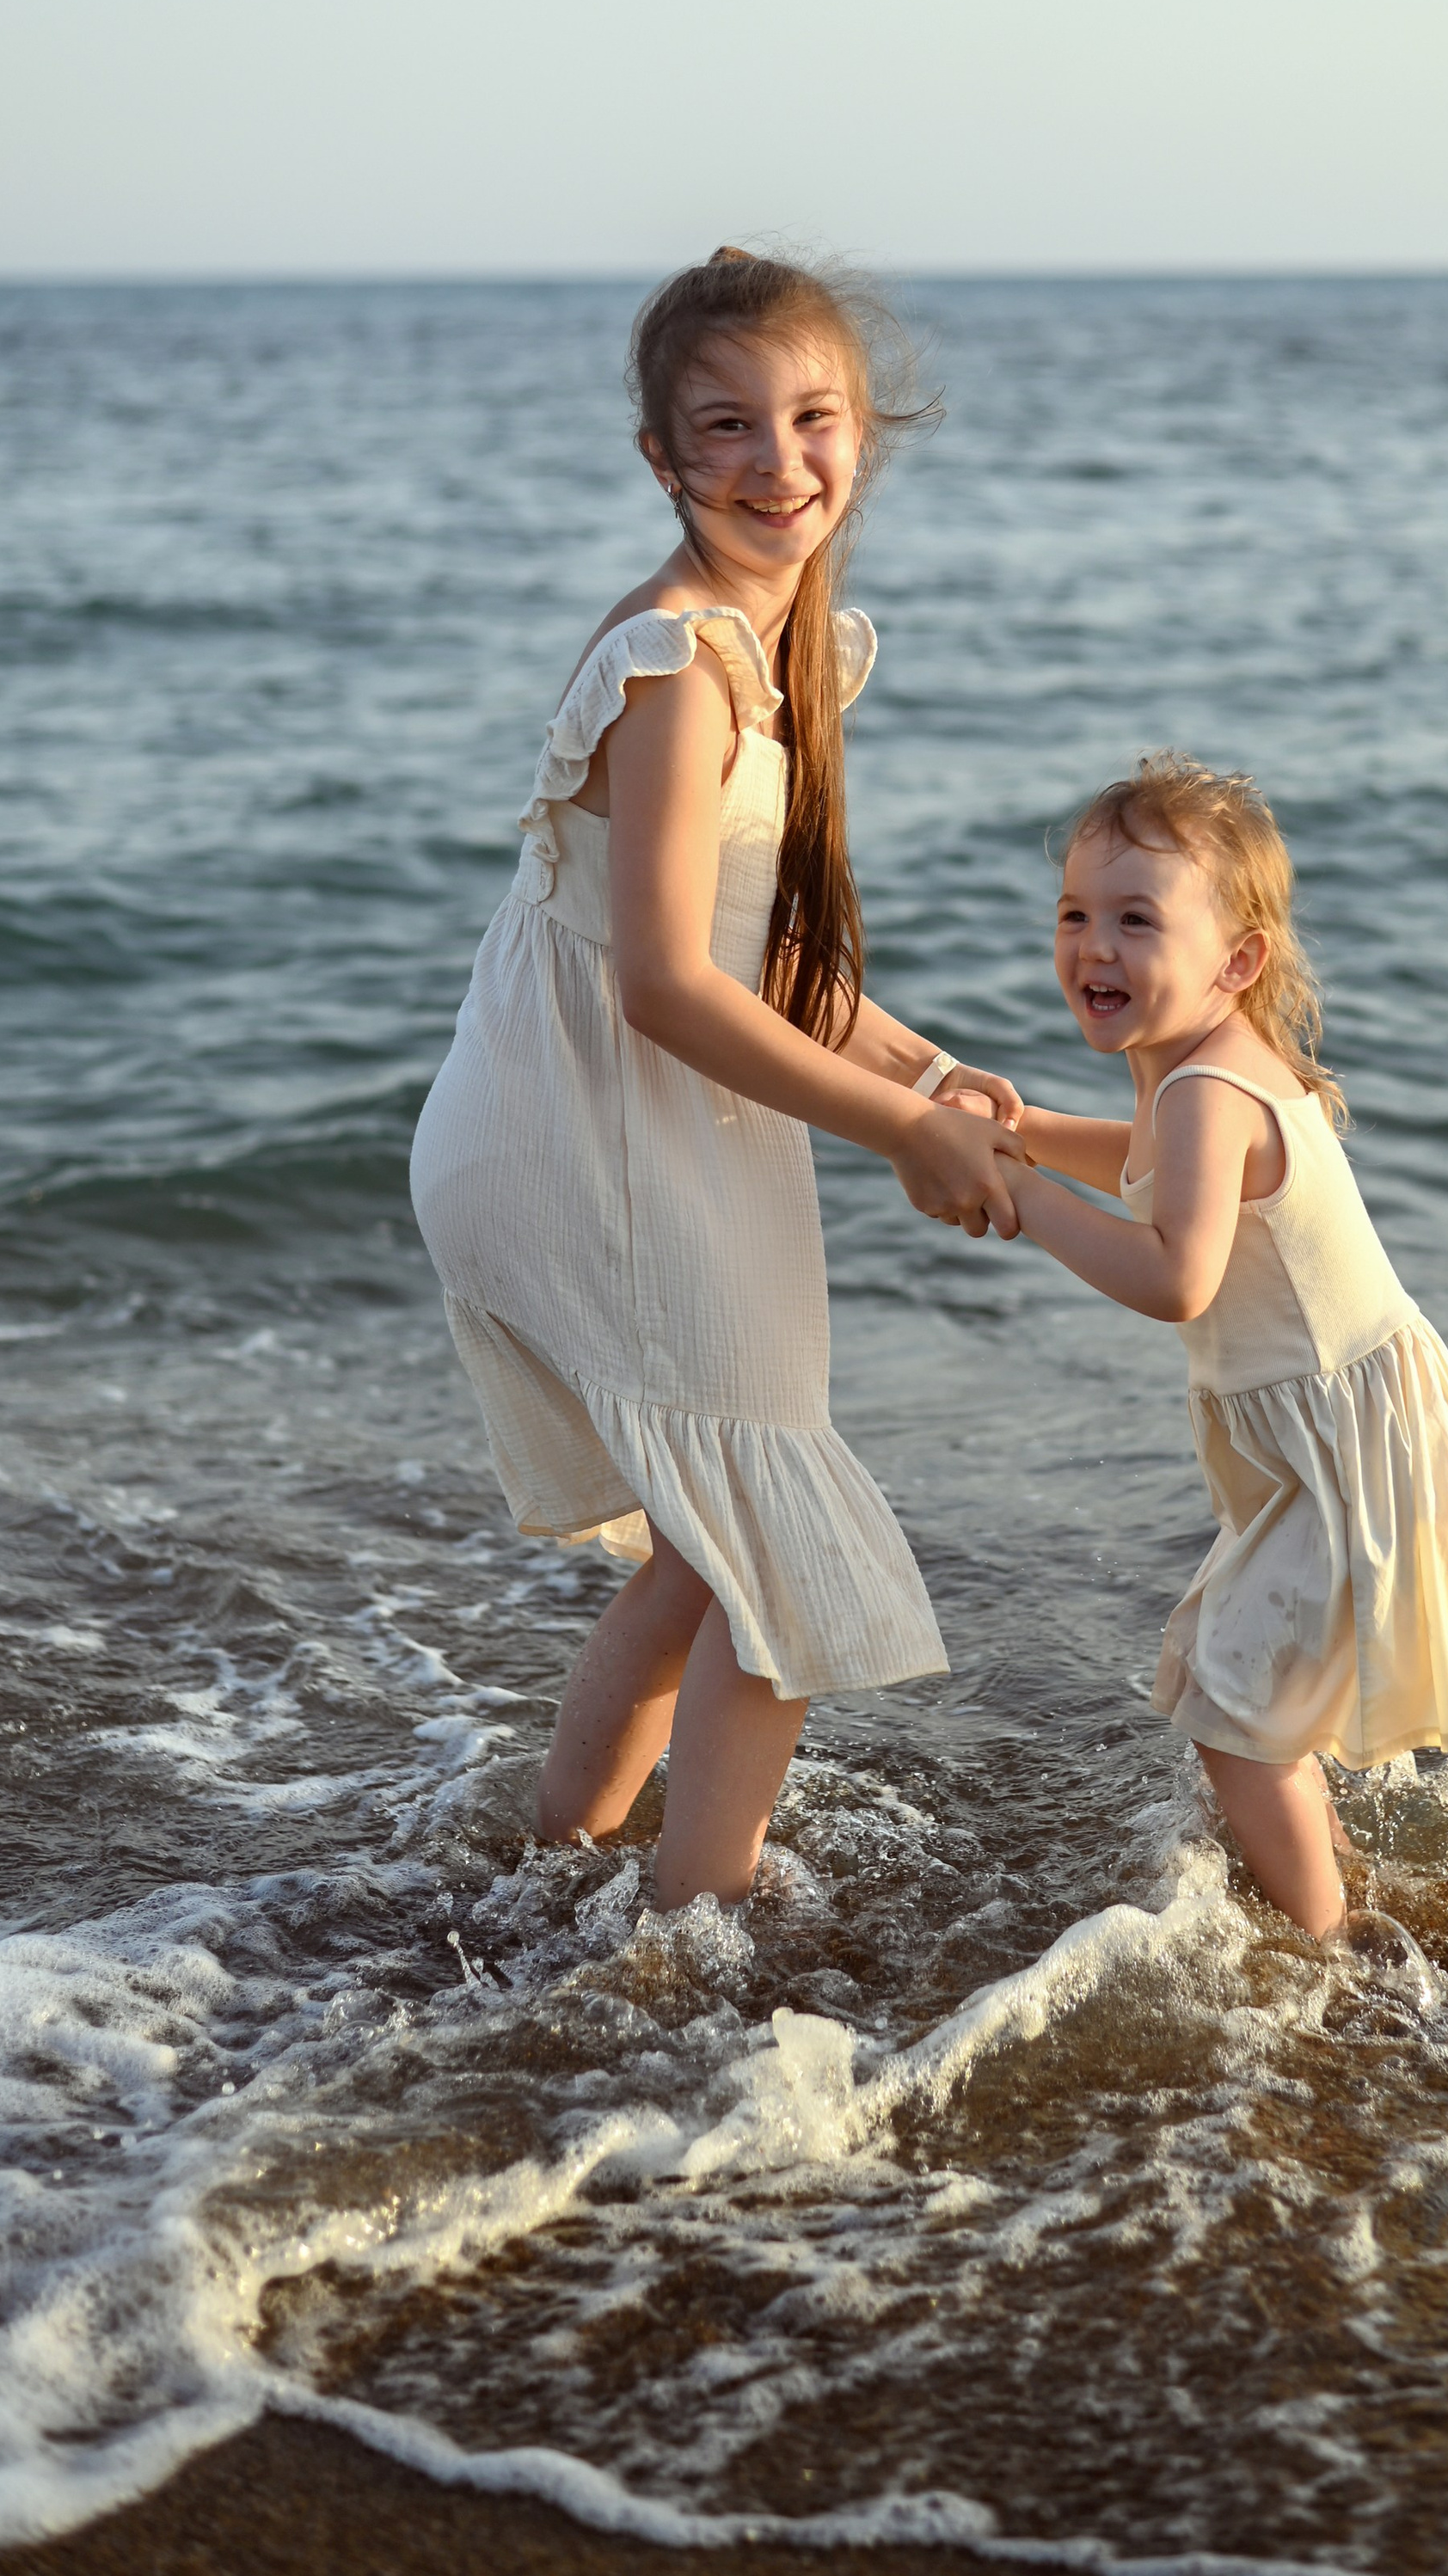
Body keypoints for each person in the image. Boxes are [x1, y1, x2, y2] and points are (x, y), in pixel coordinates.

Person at [410, 249, 1024, 1911]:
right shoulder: (680, 665)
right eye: (725, 425)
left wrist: (947, 1077)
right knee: (776, 1558)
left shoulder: (772, 644)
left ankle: (566, 1868)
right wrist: (897, 1125)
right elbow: (676, 986)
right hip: (590, 1129)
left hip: (594, 1110)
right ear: (663, 458)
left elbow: (773, 960)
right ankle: (694, 1945)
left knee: (713, 1543)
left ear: (864, 435)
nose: (779, 460)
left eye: (813, 417)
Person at [991, 752, 1448, 1940]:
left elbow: (1173, 1277)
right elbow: (1150, 1164)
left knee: (1235, 1717)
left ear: (1238, 959)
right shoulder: (1190, 1072)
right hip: (1331, 1434)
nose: (1094, 948)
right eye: (1075, 915)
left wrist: (1022, 1198)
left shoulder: (1209, 1088)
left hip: (1341, 1447)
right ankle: (1341, 1883)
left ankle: (1327, 1947)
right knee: (1246, 1691)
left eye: (1136, 921)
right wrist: (1032, 1132)